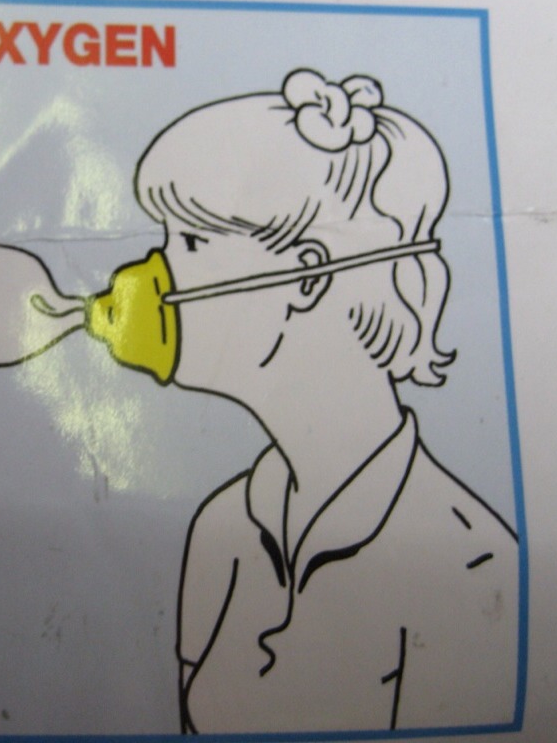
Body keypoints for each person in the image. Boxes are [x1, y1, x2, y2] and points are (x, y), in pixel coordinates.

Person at [131, 69, 518, 733]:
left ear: (306, 275)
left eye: (190, 243)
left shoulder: (474, 565)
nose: (154, 275)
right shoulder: (224, 525)